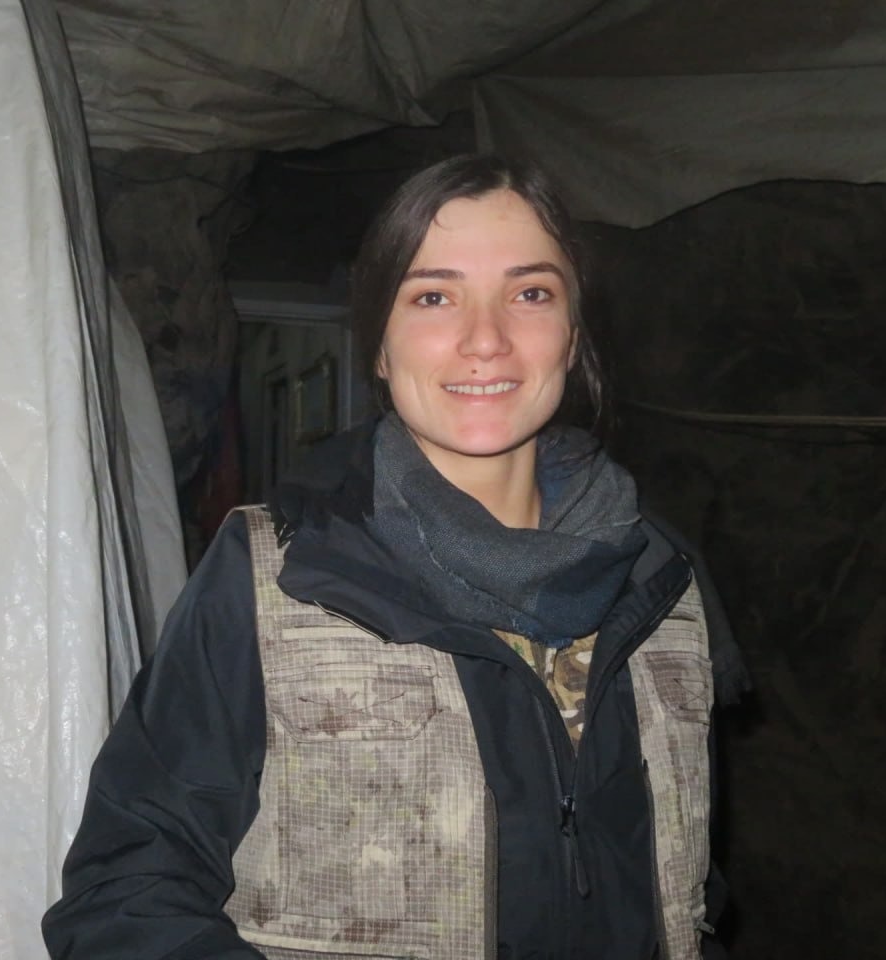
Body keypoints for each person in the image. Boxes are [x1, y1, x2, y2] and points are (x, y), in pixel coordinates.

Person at [42, 154, 733, 959]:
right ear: (378, 345)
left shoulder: (663, 585)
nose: (486, 340)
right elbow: (126, 893)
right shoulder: (273, 575)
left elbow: (684, 892)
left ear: (573, 337)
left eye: (531, 294)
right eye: (434, 296)